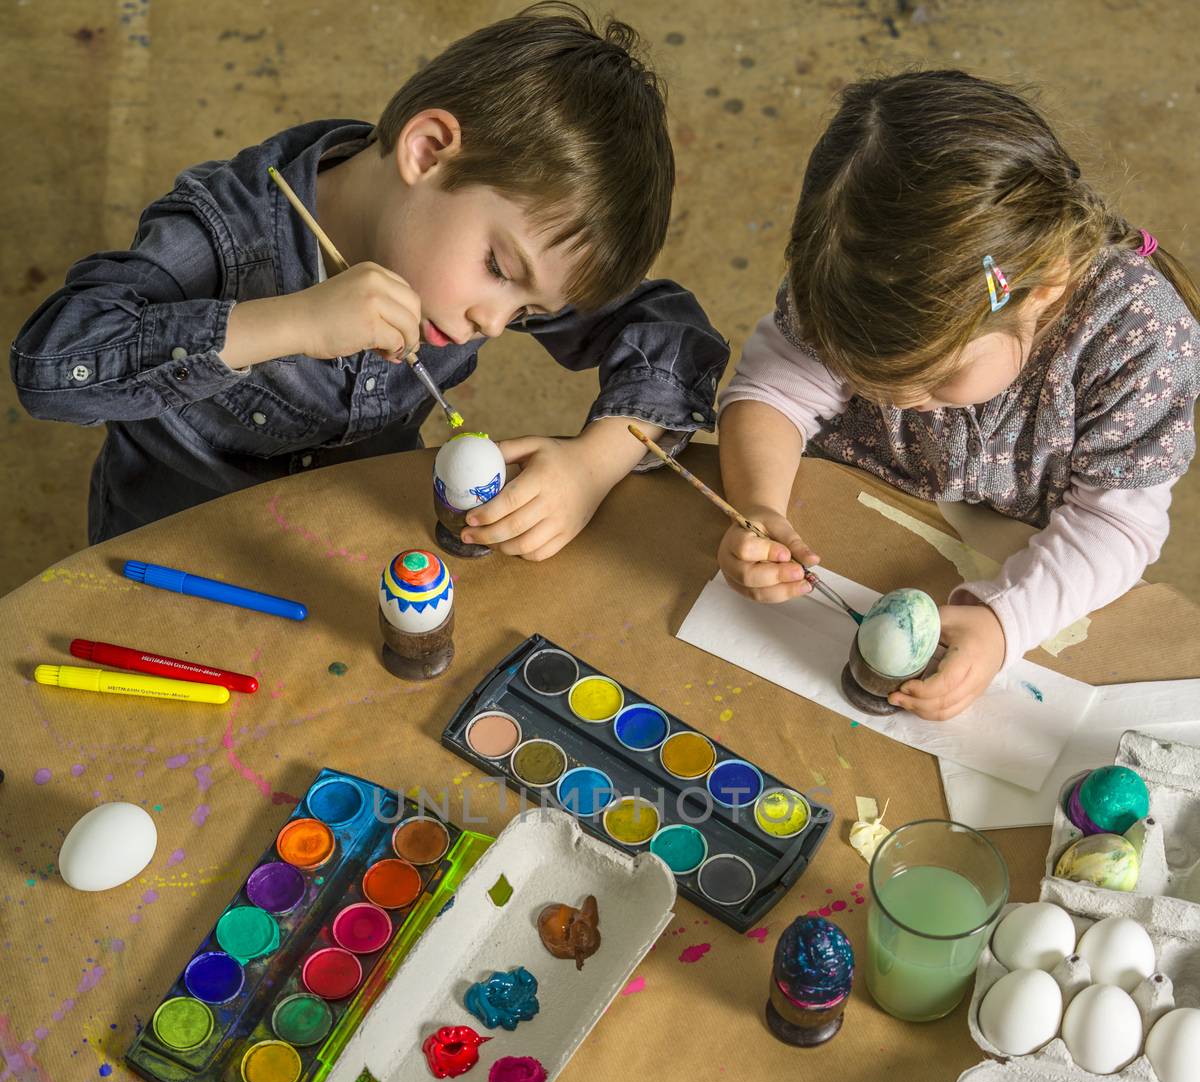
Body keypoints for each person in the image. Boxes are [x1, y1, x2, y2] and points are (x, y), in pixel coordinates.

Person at [11, 4, 727, 557]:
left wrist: (593, 466)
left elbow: (672, 335)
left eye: (529, 309)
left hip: (349, 556)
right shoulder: (225, 231)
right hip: (168, 564)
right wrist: (289, 324)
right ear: (427, 150)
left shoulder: (485, 272)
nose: (494, 323)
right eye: (500, 272)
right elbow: (49, 365)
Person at [717, 70, 1200, 719]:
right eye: (868, 382)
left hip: (1024, 549)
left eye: (938, 378)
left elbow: (1115, 522)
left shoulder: (1138, 340)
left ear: (1045, 286)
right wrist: (759, 503)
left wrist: (1006, 625)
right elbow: (776, 385)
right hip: (853, 503)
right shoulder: (848, 272)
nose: (902, 403)